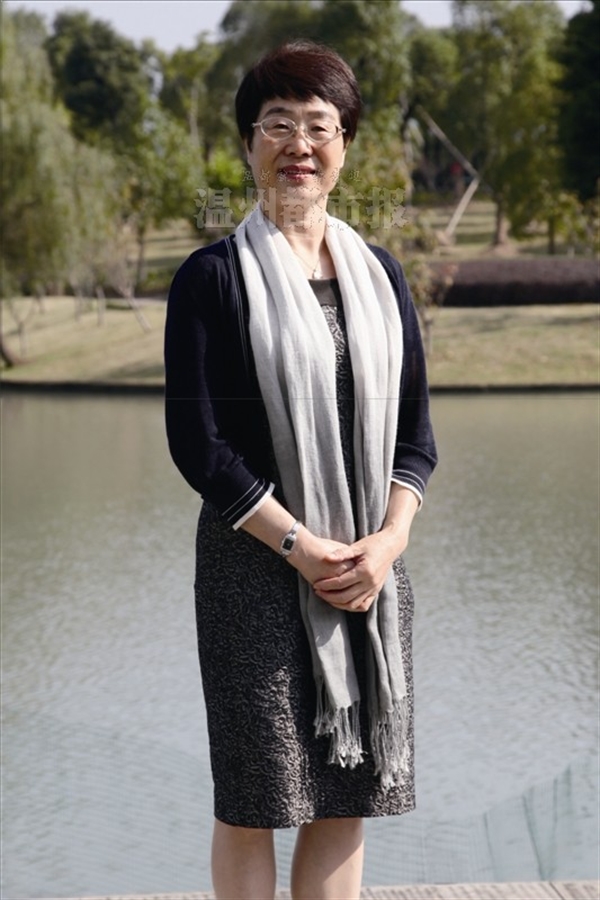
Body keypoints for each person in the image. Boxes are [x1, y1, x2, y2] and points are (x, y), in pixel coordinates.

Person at [164, 40, 437, 900]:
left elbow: (416, 439)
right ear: (249, 143)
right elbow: (199, 445)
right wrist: (301, 548)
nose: (299, 145)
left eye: (319, 125)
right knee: (256, 799)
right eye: (277, 124)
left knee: (346, 796)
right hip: (254, 570)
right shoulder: (212, 280)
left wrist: (386, 545)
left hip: (365, 573)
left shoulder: (382, 277)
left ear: (345, 144)